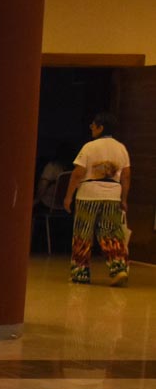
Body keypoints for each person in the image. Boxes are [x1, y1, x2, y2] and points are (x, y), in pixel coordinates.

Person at [65, 111, 132, 286]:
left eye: (93, 125)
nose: (91, 128)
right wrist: (124, 199)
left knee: (83, 233)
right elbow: (126, 176)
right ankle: (119, 268)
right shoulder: (121, 148)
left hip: (88, 194)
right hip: (113, 195)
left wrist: (68, 196)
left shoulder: (89, 147)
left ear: (101, 127)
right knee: (111, 233)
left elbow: (78, 173)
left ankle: (80, 273)